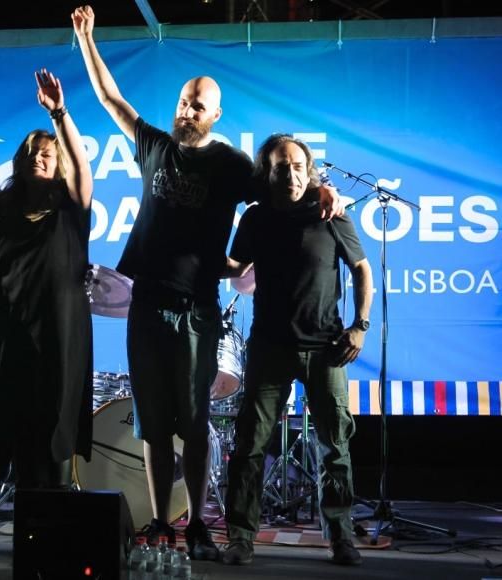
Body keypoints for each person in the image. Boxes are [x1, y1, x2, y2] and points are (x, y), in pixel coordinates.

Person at [71, 5, 342, 561]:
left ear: (215, 113)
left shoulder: (232, 163)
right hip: (147, 300)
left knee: (192, 422)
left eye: (197, 104)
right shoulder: (154, 147)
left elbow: (284, 184)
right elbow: (109, 99)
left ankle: (196, 523)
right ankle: (159, 523)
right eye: (181, 100)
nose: (185, 109)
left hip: (197, 308)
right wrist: (86, 41)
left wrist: (326, 190)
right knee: (151, 421)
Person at [222, 134, 373, 566]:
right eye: (280, 166)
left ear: (309, 170)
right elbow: (235, 268)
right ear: (267, 173)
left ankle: (340, 536)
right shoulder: (254, 220)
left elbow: (361, 269)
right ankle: (240, 537)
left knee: (334, 446)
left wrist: (360, 326)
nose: (290, 173)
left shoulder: (330, 212)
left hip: (327, 348)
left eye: (297, 165)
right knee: (250, 445)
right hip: (270, 347)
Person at [0, 68, 94, 490]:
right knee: (16, 423)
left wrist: (59, 114)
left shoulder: (71, 208)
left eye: (48, 153)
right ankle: (28, 523)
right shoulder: (3, 214)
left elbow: (81, 169)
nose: (40, 155)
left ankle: (52, 515)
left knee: (55, 426)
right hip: (14, 330)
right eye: (33, 151)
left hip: (63, 329)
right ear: (20, 159)